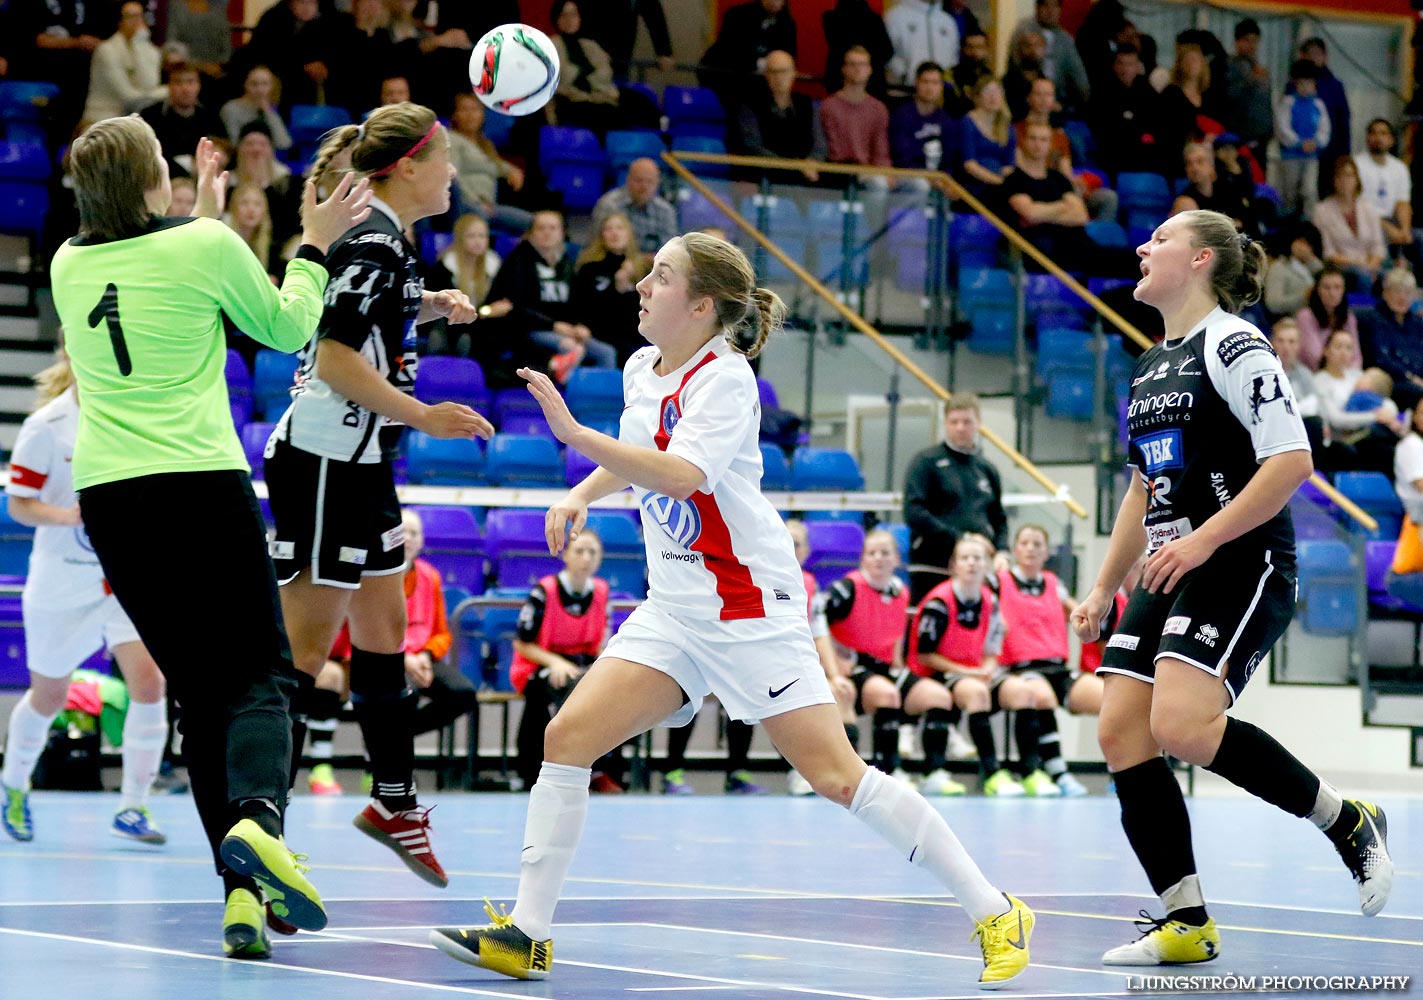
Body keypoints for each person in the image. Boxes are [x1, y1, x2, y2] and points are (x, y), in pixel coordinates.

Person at [430, 232, 1036, 987]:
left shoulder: (727, 381)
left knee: (837, 776)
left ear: (702, 305)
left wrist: (570, 437)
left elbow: (680, 476)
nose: (643, 287)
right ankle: (528, 932)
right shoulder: (638, 367)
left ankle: (993, 909)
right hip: (676, 607)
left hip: (749, 609)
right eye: (647, 273)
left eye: (661, 276)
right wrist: (579, 492)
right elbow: (629, 452)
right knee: (568, 735)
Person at [51, 118, 371, 957]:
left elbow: (165, 271)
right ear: (154, 181)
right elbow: (285, 326)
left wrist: (211, 217)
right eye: (163, 163)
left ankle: (241, 901)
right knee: (262, 676)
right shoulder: (206, 243)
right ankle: (261, 826)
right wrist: (313, 245)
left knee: (201, 696)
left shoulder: (68, 261)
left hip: (111, 500)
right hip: (197, 485)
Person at [1070, 208, 1393, 967]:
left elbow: (1289, 461)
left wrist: (1202, 539)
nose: (1143, 245)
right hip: (1169, 560)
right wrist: (1101, 588)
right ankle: (1185, 921)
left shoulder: (1236, 344)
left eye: (1160, 239)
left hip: (1240, 554)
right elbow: (1141, 489)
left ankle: (1345, 820)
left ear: (1201, 259)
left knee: (1180, 724)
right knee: (1120, 728)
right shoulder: (1151, 364)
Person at [263, 101, 495, 893]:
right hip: (325, 461)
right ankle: (259, 838)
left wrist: (425, 306)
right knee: (299, 659)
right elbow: (331, 359)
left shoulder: (392, 250)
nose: (454, 173)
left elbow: (358, 319)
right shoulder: (372, 244)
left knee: (386, 634)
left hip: (363, 465)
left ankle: (393, 802)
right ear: (406, 167)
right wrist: (425, 413)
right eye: (446, 159)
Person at [2, 350, 169, 845]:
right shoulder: (46, 426)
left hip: (123, 579)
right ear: (73, 355)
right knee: (49, 696)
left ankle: (134, 805)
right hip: (62, 580)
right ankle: (13, 784)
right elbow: (19, 505)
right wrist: (72, 517)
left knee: (151, 682)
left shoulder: (135, 417)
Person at [323, 507, 478, 770]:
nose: (407, 539)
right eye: (402, 532)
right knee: (404, 695)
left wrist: (426, 657)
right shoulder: (370, 574)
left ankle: (384, 744)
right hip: (382, 657)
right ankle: (391, 765)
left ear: (421, 542)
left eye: (414, 533)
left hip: (421, 658)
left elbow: (441, 633)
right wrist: (405, 660)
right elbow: (355, 632)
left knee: (463, 694)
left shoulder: (431, 577)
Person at [824, 529, 946, 786]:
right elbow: (816, 627)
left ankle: (933, 773)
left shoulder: (900, 592)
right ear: (863, 559)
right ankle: (889, 771)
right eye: (872, 553)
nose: (878, 558)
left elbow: (896, 634)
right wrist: (833, 663)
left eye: (885, 553)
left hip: (884, 667)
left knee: (938, 696)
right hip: (853, 665)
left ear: (896, 560)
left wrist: (901, 666)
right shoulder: (846, 589)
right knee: (886, 694)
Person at [510, 529, 624, 792]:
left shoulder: (602, 592)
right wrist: (555, 663)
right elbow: (522, 642)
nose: (586, 558)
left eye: (592, 552)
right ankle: (543, 771)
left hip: (582, 666)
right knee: (558, 694)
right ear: (566, 555)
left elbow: (601, 642)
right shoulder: (544, 591)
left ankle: (601, 770)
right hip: (538, 664)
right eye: (579, 551)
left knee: (615, 693)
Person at [907, 533, 1020, 796]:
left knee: (1019, 690)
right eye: (965, 558)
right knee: (977, 693)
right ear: (953, 566)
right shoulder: (939, 602)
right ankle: (956, 772)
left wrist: (989, 667)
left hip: (970, 671)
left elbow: (992, 648)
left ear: (987, 565)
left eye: (977, 558)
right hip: (934, 672)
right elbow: (925, 655)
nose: (971, 563)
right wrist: (969, 672)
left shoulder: (989, 601)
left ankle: (1028, 772)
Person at [995, 524, 1091, 796]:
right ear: (1014, 550)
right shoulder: (1001, 580)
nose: (1031, 549)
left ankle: (1120, 773)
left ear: (1047, 552)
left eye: (1037, 544)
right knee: (1042, 696)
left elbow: (1077, 610)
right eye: (1025, 543)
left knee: (1109, 697)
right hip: (1021, 666)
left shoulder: (1052, 583)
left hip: (1057, 666)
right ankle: (1057, 772)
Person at [481, 210, 620, 383]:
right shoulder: (519, 261)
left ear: (562, 233)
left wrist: (580, 325)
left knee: (606, 353)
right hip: (530, 328)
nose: (547, 232)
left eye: (553, 228)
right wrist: (554, 326)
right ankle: (566, 401)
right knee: (572, 348)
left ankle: (601, 401)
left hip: (564, 328)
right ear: (531, 234)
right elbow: (516, 307)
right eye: (541, 228)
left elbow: (578, 303)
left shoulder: (567, 263)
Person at [903, 393, 1009, 602]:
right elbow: (914, 512)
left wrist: (1003, 551)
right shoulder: (925, 462)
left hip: (977, 568)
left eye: (967, 421)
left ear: (978, 424)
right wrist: (962, 539)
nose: (960, 427)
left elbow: (998, 517)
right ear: (946, 424)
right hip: (933, 565)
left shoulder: (987, 469)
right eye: (954, 422)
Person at [784, 518, 859, 796]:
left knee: (842, 692)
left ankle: (847, 773)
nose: (791, 550)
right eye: (786, 542)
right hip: (771, 663)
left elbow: (819, 631)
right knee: (801, 699)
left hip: (802, 662)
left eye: (797, 544)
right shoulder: (758, 576)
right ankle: (800, 772)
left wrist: (835, 674)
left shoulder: (809, 584)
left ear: (805, 552)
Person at [731, 50, 826, 186]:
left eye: (784, 71)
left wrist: (811, 163)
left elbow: (820, 146)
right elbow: (754, 147)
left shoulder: (808, 104)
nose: (779, 77)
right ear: (766, 75)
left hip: (806, 180)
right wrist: (794, 166)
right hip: (765, 179)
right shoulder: (749, 106)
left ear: (794, 73)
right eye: (774, 72)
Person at [573, 212, 652, 369]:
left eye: (620, 228)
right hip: (600, 333)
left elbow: (649, 308)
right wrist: (616, 287)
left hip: (636, 334)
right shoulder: (589, 268)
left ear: (629, 234)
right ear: (602, 235)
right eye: (609, 229)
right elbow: (586, 308)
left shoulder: (643, 269)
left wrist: (628, 288)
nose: (614, 233)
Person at [446, 93, 530, 237]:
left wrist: (512, 171)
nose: (470, 115)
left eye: (475, 109)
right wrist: (476, 201)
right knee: (479, 216)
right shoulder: (452, 140)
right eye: (464, 109)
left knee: (533, 223)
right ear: (455, 115)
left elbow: (497, 165)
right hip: (465, 204)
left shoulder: (485, 144)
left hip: (490, 207)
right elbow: (453, 176)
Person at [82, 1, 166, 125]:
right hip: (101, 118)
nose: (136, 22)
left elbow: (149, 84)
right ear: (120, 21)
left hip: (131, 119)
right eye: (130, 17)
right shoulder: (106, 50)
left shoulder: (150, 50)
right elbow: (128, 97)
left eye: (139, 16)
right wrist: (166, 92)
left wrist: (140, 44)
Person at [818, 45, 891, 187]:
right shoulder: (829, 106)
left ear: (870, 70)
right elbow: (834, 152)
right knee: (878, 184)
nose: (858, 69)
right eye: (853, 64)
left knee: (915, 184)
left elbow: (880, 151)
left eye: (863, 64)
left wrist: (885, 171)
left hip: (869, 171)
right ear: (843, 69)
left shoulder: (879, 109)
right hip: (840, 171)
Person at [1312, 156, 1386, 294]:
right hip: (1341, 267)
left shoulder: (1367, 207)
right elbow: (1328, 253)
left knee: (1391, 278)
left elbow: (1378, 246)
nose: (1345, 181)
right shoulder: (1322, 210)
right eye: (1340, 176)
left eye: (1349, 175)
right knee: (1363, 277)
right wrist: (1361, 265)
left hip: (1370, 266)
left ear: (1357, 179)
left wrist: (1371, 265)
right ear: (1333, 180)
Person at [139, 61, 223, 178]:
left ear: (199, 85)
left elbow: (222, 146)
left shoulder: (210, 116)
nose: (185, 88)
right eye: (178, 82)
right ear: (169, 86)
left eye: (190, 82)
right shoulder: (150, 115)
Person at [1360, 267, 1423, 412]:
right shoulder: (1372, 320)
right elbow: (1380, 358)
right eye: (1397, 291)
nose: (1402, 297)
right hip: (1390, 380)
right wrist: (1410, 377)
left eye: (1407, 292)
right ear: (1385, 293)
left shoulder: (1417, 323)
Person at [1353, 119, 1414, 264]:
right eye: (1373, 133)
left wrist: (1404, 230)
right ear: (1367, 139)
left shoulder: (1400, 167)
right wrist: (1390, 230)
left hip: (1392, 220)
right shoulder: (1356, 164)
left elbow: (1403, 203)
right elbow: (1359, 205)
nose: (1378, 138)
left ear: (1391, 140)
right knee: (1380, 236)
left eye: (1383, 133)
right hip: (1365, 221)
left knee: (1419, 237)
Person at [590, 158, 678, 257]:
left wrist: (637, 263)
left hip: (652, 268)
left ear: (657, 183)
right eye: (639, 180)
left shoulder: (666, 211)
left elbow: (670, 254)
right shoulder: (609, 204)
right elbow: (596, 246)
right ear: (628, 180)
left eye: (650, 182)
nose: (644, 186)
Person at [1275, 60, 1329, 218]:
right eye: (1302, 83)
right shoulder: (1288, 103)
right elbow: (1282, 128)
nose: (1305, 87)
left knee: (1309, 191)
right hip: (1290, 156)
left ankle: (1309, 221)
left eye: (1309, 83)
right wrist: (1298, 142)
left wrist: (1317, 142)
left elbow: (1324, 128)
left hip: (1311, 156)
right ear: (1295, 83)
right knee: (1289, 191)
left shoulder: (1318, 105)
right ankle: (1286, 221)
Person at [1300, 38, 1351, 202]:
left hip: (1330, 151)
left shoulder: (1335, 86)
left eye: (1317, 53)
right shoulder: (1294, 84)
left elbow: (1344, 120)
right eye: (1309, 54)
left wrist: (1344, 153)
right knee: (1302, 193)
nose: (1313, 58)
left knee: (1327, 194)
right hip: (1301, 151)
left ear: (1325, 56)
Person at [890, 61, 956, 179]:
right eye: (925, 82)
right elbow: (902, 158)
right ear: (916, 83)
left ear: (941, 86)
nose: (930, 88)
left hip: (939, 179)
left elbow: (950, 158)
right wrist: (929, 178)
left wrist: (946, 179)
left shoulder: (945, 119)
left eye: (935, 83)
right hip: (908, 177)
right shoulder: (902, 115)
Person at [957, 77, 1015, 205]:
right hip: (973, 184)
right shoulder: (967, 122)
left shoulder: (1007, 126)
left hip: (1000, 183)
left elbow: (1009, 164)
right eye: (987, 92)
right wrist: (998, 182)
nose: (993, 97)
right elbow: (969, 165)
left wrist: (1004, 181)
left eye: (997, 92)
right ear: (977, 97)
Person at [1295, 265, 1358, 371]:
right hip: (1315, 374)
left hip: (1345, 374)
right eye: (1326, 287)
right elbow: (1315, 357)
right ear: (1317, 290)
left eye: (1337, 287)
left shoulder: (1349, 318)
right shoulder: (1305, 317)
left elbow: (1356, 356)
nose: (1332, 293)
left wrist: (1351, 375)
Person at [1225, 18, 1272, 158]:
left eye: (1255, 41)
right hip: (1239, 137)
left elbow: (1267, 105)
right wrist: (1250, 82)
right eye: (1247, 40)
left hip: (1261, 137)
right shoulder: (1228, 67)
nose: (1252, 45)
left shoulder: (1260, 70)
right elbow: (1229, 97)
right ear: (1237, 41)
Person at [220, 65, 294, 152]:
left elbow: (285, 144)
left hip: (268, 158)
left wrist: (268, 112)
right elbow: (235, 142)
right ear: (245, 85)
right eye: (254, 84)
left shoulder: (273, 108)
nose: (260, 89)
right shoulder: (230, 109)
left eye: (265, 84)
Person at [1263, 222, 1324, 318]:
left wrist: (1312, 260)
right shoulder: (1279, 267)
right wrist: (1304, 297)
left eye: (1308, 245)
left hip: (1319, 316)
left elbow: (1324, 274)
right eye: (1300, 242)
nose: (1302, 248)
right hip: (1291, 320)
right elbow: (1273, 304)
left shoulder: (1316, 267)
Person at [226, 184, 281, 281]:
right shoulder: (225, 241)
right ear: (233, 207)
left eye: (257, 204)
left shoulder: (273, 248)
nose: (251, 209)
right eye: (244, 203)